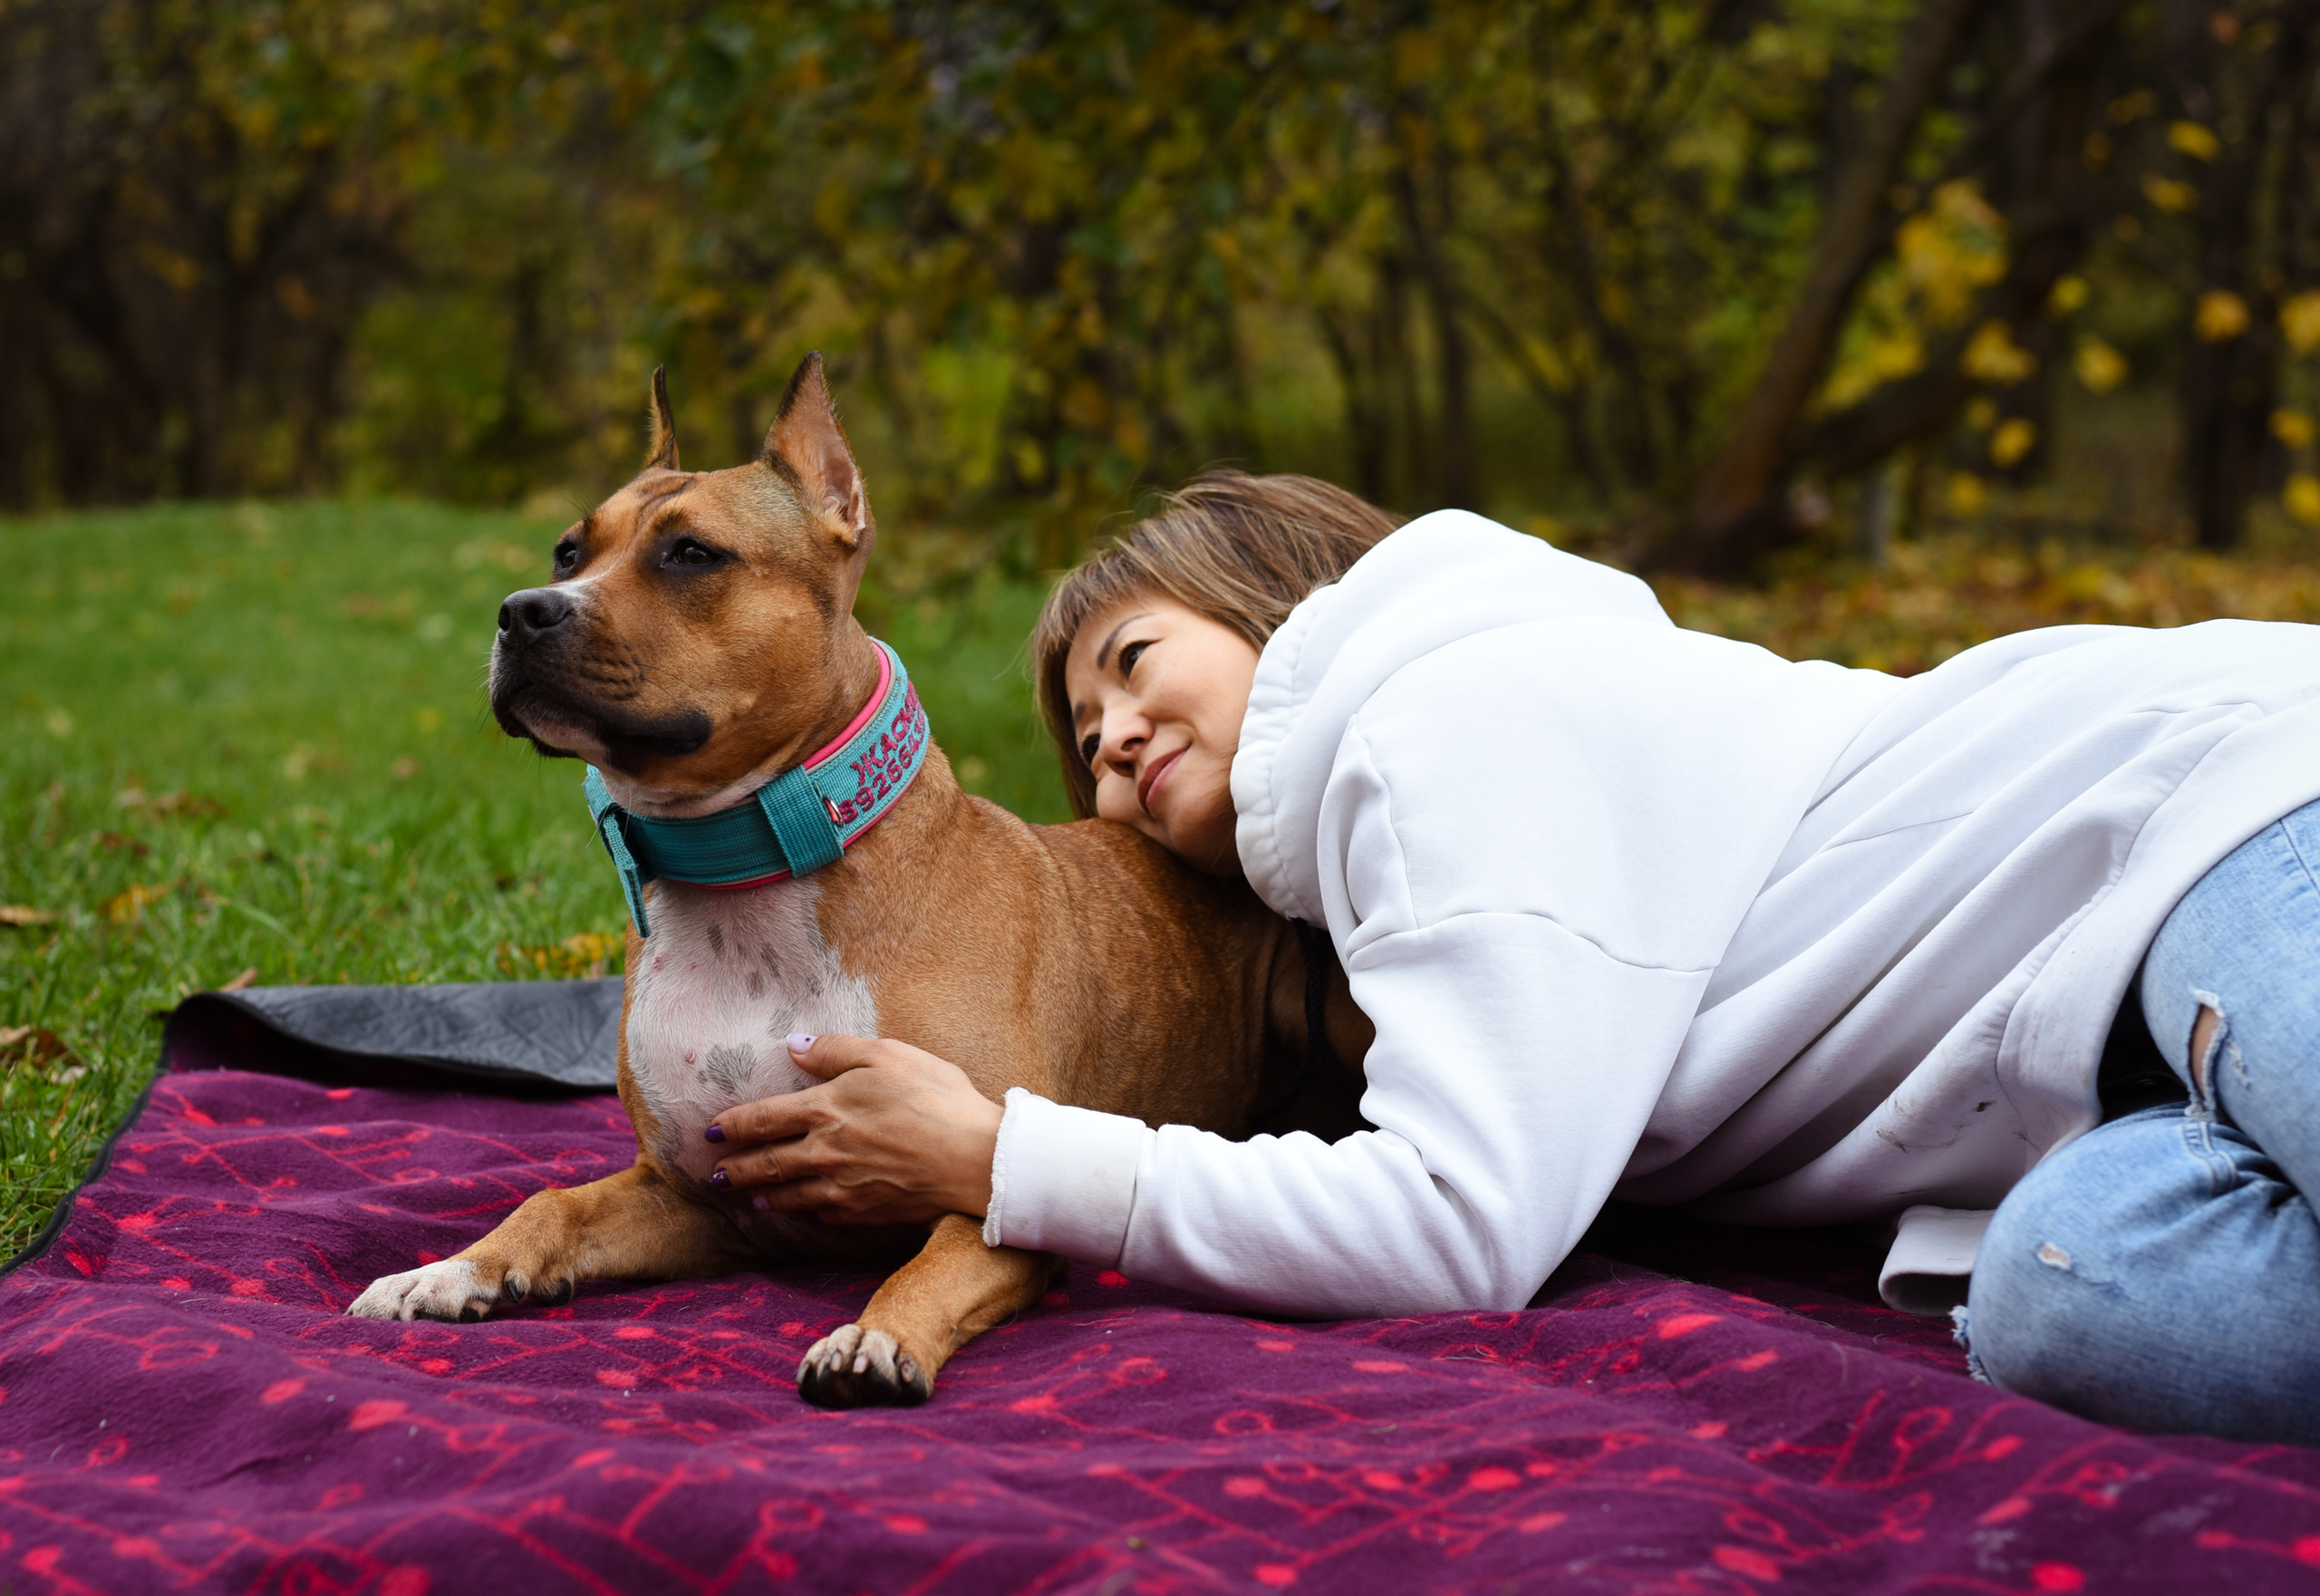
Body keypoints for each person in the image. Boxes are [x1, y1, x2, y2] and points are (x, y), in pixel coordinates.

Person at [701, 471, 2320, 1444]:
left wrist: (1010, 1153)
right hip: (2114, 1080)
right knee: (2070, 1298)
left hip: (2226, 827)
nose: (1116, 738)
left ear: (1278, 596)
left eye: (1135, 662)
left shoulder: (1436, 729)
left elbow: (1465, 1224)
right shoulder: (1392, 858)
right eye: (1086, 738)